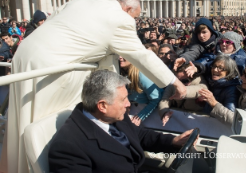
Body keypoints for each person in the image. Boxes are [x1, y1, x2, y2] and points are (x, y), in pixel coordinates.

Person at [1, 0, 186, 173]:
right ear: (127, 8)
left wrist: (172, 142)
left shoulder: (81, 2)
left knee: (23, 117)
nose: (134, 22)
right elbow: (142, 55)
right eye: (135, 17)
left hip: (25, 55)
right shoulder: (119, 18)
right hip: (56, 66)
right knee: (45, 125)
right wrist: (175, 82)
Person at [49, 70, 192, 173]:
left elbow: (139, 135)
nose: (129, 104)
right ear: (103, 106)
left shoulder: (114, 116)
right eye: (123, 99)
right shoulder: (68, 148)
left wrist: (173, 141)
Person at [119, 56, 163, 126]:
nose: (120, 57)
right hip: (132, 114)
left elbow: (156, 98)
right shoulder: (120, 72)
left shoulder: (141, 74)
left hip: (148, 118)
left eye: (124, 55)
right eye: (118, 55)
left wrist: (140, 117)